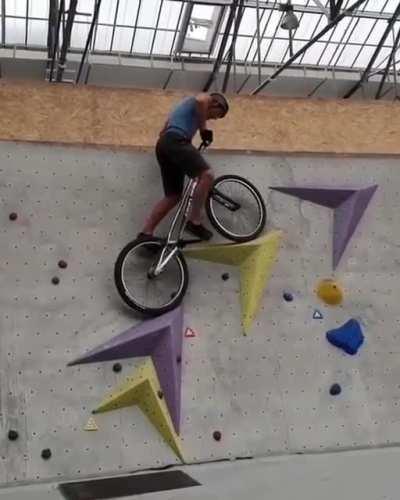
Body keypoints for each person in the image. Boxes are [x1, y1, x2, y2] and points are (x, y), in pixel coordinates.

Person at [137, 92, 229, 242]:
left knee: (173, 196)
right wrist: (203, 130)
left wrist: (187, 149)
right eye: (216, 115)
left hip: (165, 144)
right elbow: (201, 100)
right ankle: (194, 221)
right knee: (207, 175)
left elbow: (164, 129)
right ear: (215, 104)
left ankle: (145, 234)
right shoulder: (203, 99)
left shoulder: (182, 107)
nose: (212, 118)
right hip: (176, 141)